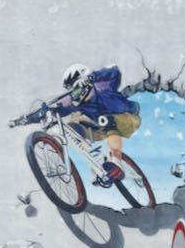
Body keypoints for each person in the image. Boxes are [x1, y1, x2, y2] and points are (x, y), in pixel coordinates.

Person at [12, 63, 142, 185]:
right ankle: (96, 163)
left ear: (85, 83)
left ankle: (116, 160)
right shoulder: (74, 101)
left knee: (107, 120)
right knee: (73, 127)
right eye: (73, 92)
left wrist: (92, 77)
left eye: (78, 89)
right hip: (100, 127)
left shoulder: (102, 85)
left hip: (127, 118)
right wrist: (25, 119)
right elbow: (54, 108)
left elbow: (114, 71)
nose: (76, 96)